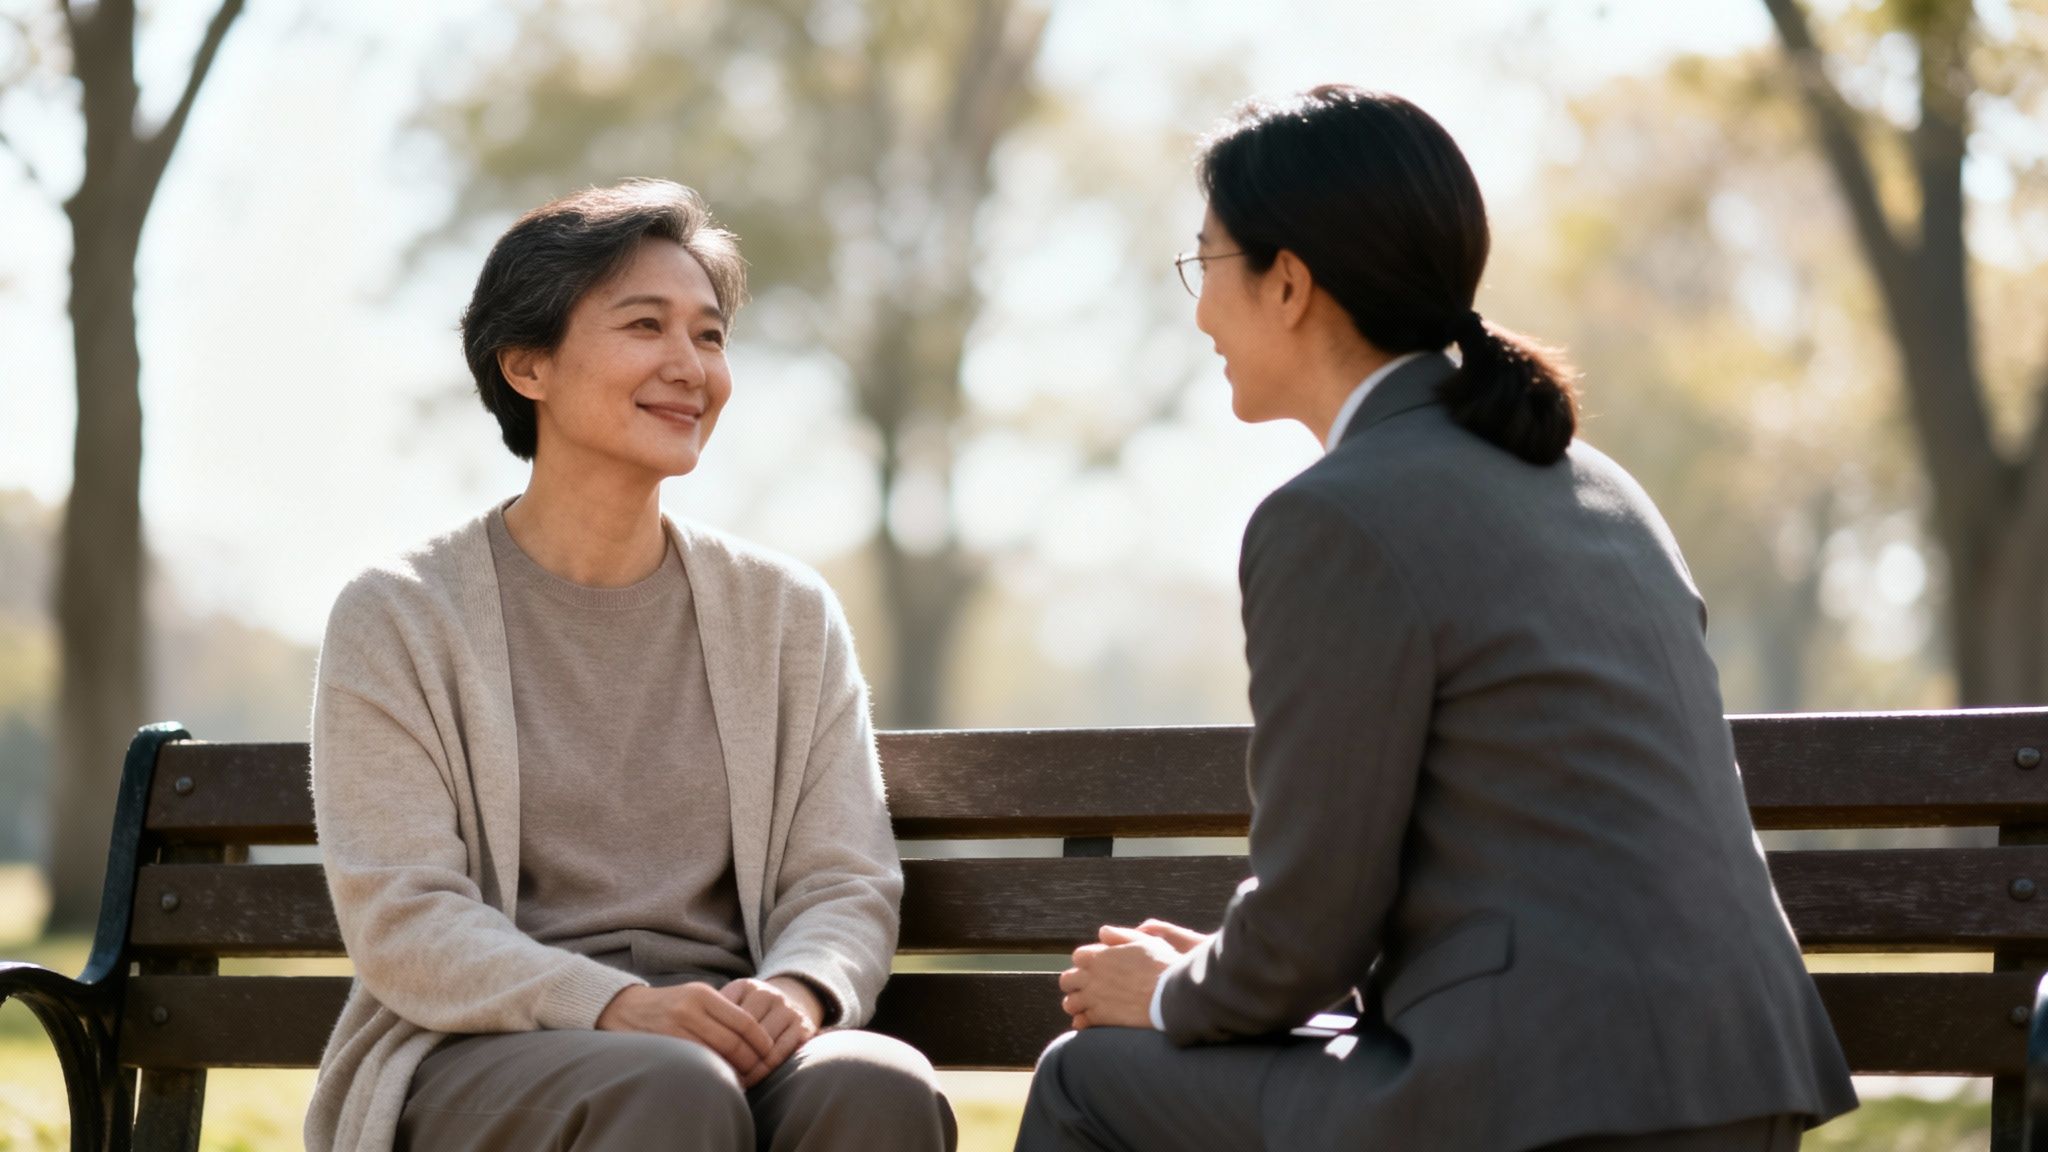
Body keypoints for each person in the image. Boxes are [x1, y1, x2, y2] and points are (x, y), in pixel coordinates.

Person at [1017, 86, 1858, 1152]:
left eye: (1206, 265)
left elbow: (1313, 923)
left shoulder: (1330, 519)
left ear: (1287, 283)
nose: (1197, 312)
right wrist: (1222, 975)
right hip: (1734, 1086)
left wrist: (1176, 993)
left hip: (1535, 1101)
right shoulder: (1597, 485)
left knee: (1087, 1080)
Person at [303, 179, 954, 1152]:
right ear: (527, 366)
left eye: (709, 335)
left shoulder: (784, 613)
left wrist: (799, 990)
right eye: (644, 325)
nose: (689, 365)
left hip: (724, 1040)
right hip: (478, 1055)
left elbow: (842, 878)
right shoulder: (399, 615)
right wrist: (613, 1006)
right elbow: (405, 919)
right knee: (669, 1086)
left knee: (873, 1084)